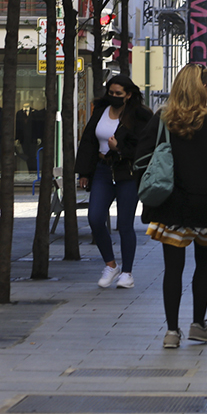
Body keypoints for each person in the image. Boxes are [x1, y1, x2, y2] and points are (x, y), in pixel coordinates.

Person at [135, 64, 207, 349]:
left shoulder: (162, 120)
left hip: (171, 206)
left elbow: (141, 159)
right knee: (204, 265)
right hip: (206, 205)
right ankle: (198, 324)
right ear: (201, 88)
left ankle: (171, 331)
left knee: (173, 268)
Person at [76, 75, 154, 289]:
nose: (114, 97)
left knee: (125, 224)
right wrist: (84, 171)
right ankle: (111, 265)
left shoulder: (138, 116)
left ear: (128, 95)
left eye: (119, 94)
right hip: (102, 170)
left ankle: (127, 273)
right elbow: (89, 140)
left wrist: (119, 148)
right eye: (111, 93)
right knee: (94, 217)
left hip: (126, 172)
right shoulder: (101, 110)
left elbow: (144, 146)